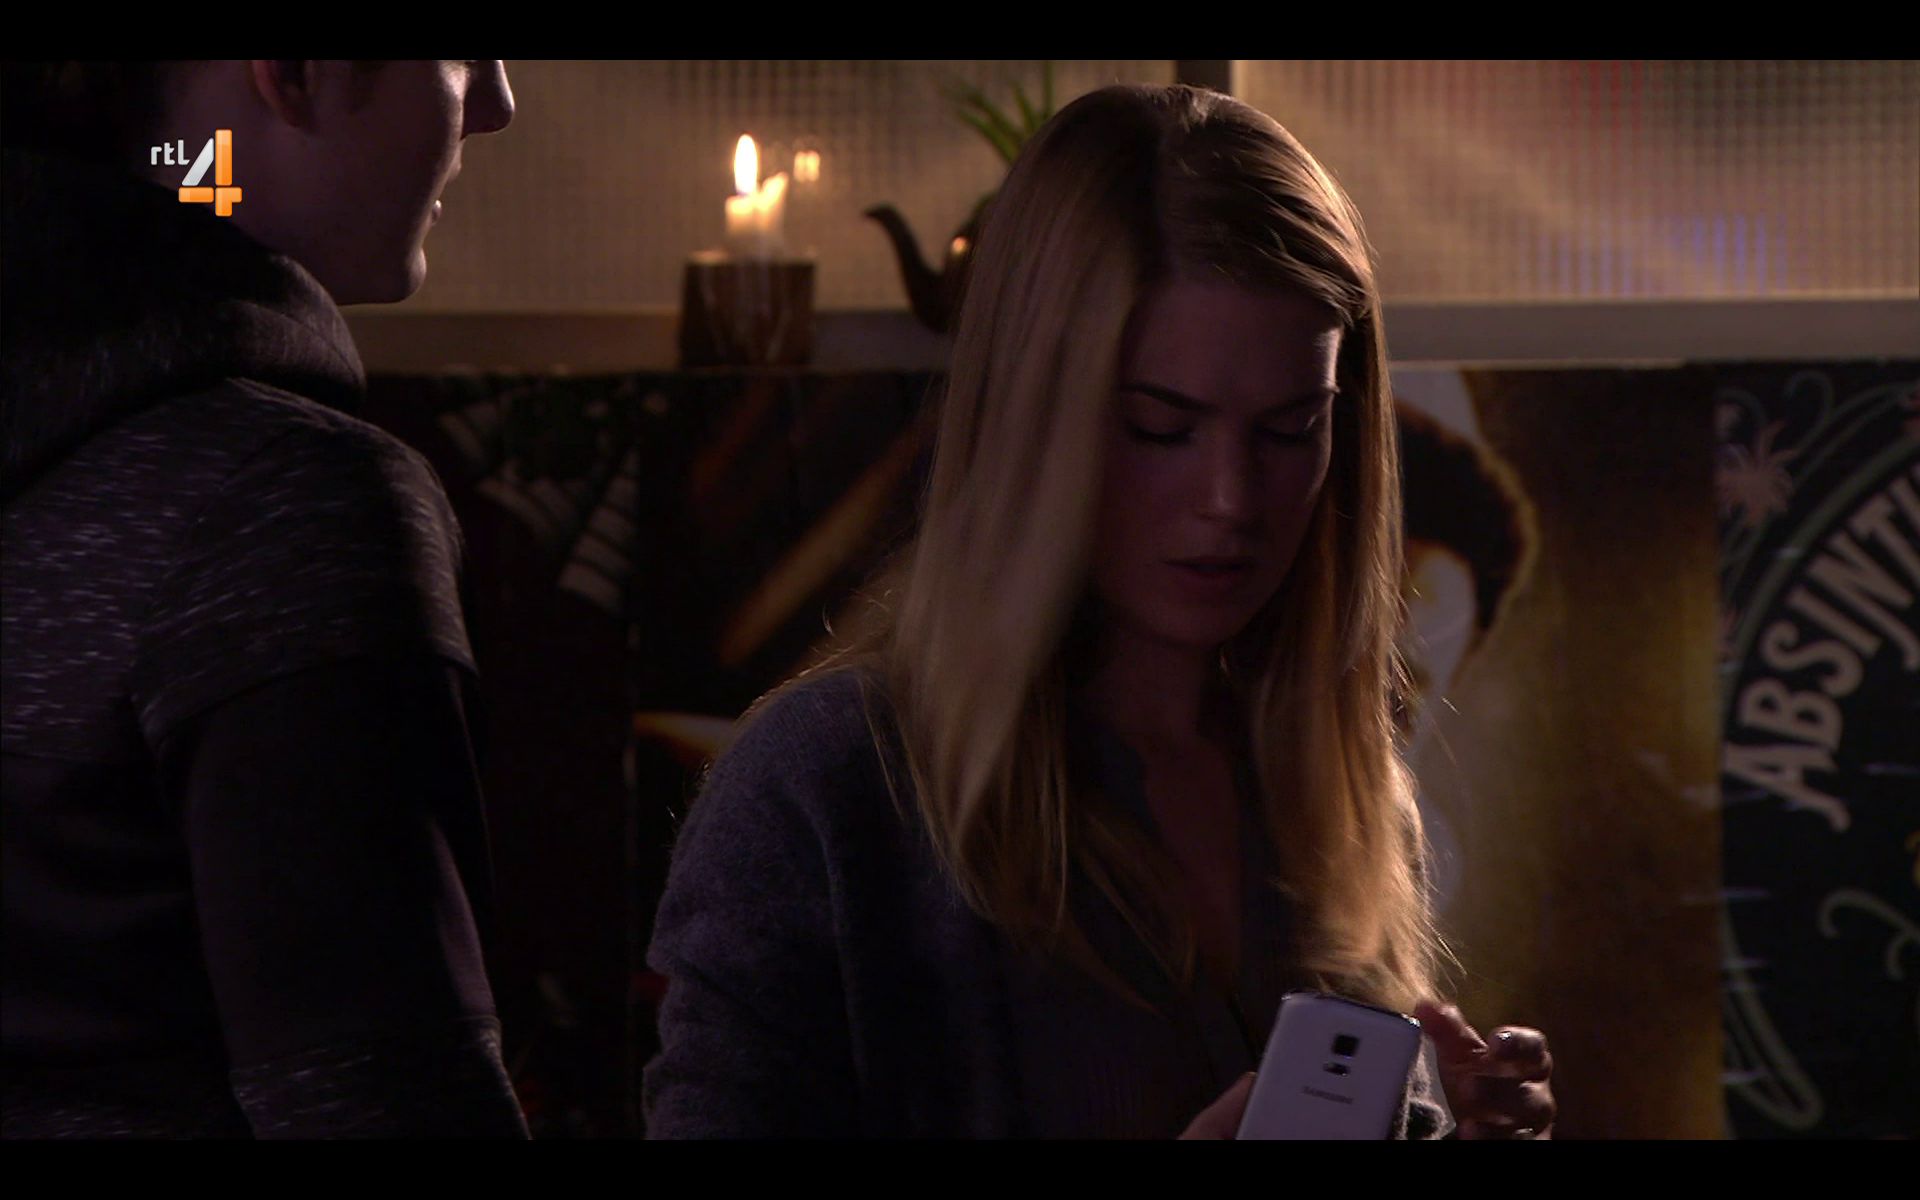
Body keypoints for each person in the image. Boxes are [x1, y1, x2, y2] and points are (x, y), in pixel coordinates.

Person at [643, 83, 1556, 1139]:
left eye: (1290, 429)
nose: (1231, 500)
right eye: (1160, 427)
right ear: (1033, 413)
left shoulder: (1333, 787)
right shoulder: (828, 788)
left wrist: (1454, 1121)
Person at [1, 60, 528, 1137]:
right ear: (291, 72)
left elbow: (187, 174)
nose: (495, 105)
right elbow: (383, 1104)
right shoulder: (280, 496)